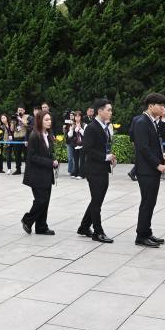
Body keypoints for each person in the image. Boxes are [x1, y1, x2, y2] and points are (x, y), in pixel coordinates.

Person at [133, 93, 165, 248]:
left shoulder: (152, 121)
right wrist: (157, 164)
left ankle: (147, 232)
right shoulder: (142, 121)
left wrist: (163, 156)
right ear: (150, 106)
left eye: (163, 105)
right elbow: (143, 147)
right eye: (160, 105)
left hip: (151, 169)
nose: (163, 108)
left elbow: (153, 145)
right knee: (147, 202)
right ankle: (141, 236)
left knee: (150, 202)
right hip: (147, 170)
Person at [78, 99, 117, 243]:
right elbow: (87, 149)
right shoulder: (91, 127)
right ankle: (98, 232)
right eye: (108, 110)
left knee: (96, 200)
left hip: (102, 168)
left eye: (111, 110)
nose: (111, 112)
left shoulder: (105, 127)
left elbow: (102, 147)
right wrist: (105, 156)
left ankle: (83, 227)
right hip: (94, 170)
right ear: (99, 111)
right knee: (97, 202)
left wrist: (110, 157)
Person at [21, 111, 58, 235]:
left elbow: (47, 153)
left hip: (46, 174)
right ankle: (27, 219)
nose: (49, 122)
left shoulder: (48, 135)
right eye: (46, 120)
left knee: (45, 201)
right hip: (36, 174)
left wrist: (53, 160)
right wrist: (49, 162)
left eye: (50, 119)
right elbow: (32, 157)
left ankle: (41, 226)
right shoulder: (34, 135)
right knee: (41, 200)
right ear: (40, 121)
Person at [65, 111, 85, 178]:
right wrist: (71, 129)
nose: (77, 118)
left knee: (81, 160)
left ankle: (81, 174)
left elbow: (85, 134)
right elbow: (69, 135)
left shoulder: (84, 125)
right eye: (76, 116)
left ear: (81, 117)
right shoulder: (72, 125)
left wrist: (80, 129)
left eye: (79, 116)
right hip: (75, 144)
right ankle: (75, 172)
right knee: (75, 160)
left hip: (82, 144)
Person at [11, 107, 28, 175]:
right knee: (17, 154)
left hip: (24, 137)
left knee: (26, 154)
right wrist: (13, 121)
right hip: (16, 138)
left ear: (24, 110)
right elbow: (12, 129)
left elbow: (27, 124)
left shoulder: (27, 116)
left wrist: (20, 119)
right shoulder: (15, 117)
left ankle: (28, 170)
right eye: (18, 110)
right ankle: (18, 169)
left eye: (21, 110)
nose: (20, 111)